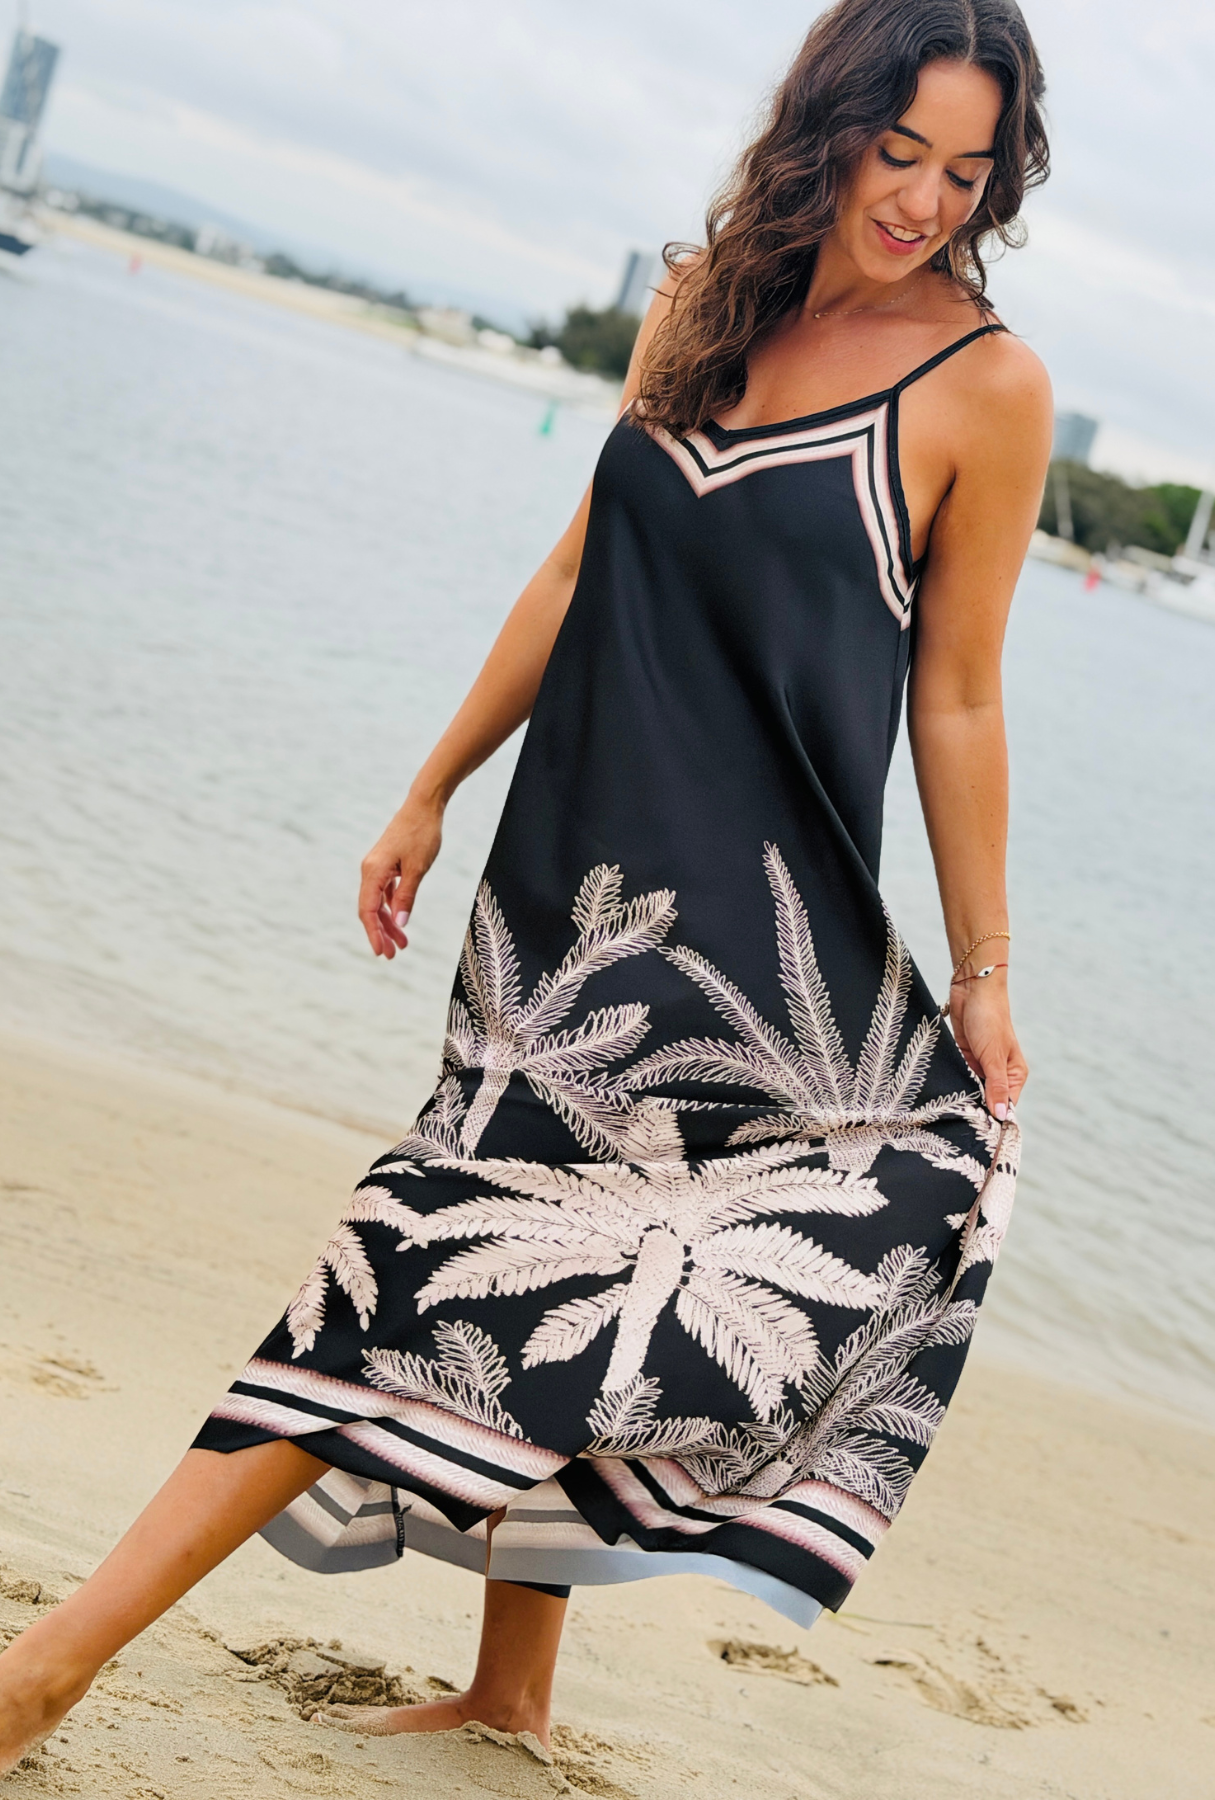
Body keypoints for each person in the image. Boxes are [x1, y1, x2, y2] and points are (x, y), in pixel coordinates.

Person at [0, 0, 1052, 1771]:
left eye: (964, 170)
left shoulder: (985, 387)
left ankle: (47, 1669)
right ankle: (512, 1691)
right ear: (829, 125)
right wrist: (430, 786)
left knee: (408, 1268)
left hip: (747, 939)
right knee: (534, 1262)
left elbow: (956, 695)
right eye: (897, 153)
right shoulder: (702, 299)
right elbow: (576, 573)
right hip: (562, 891)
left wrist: (984, 966)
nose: (922, 202)